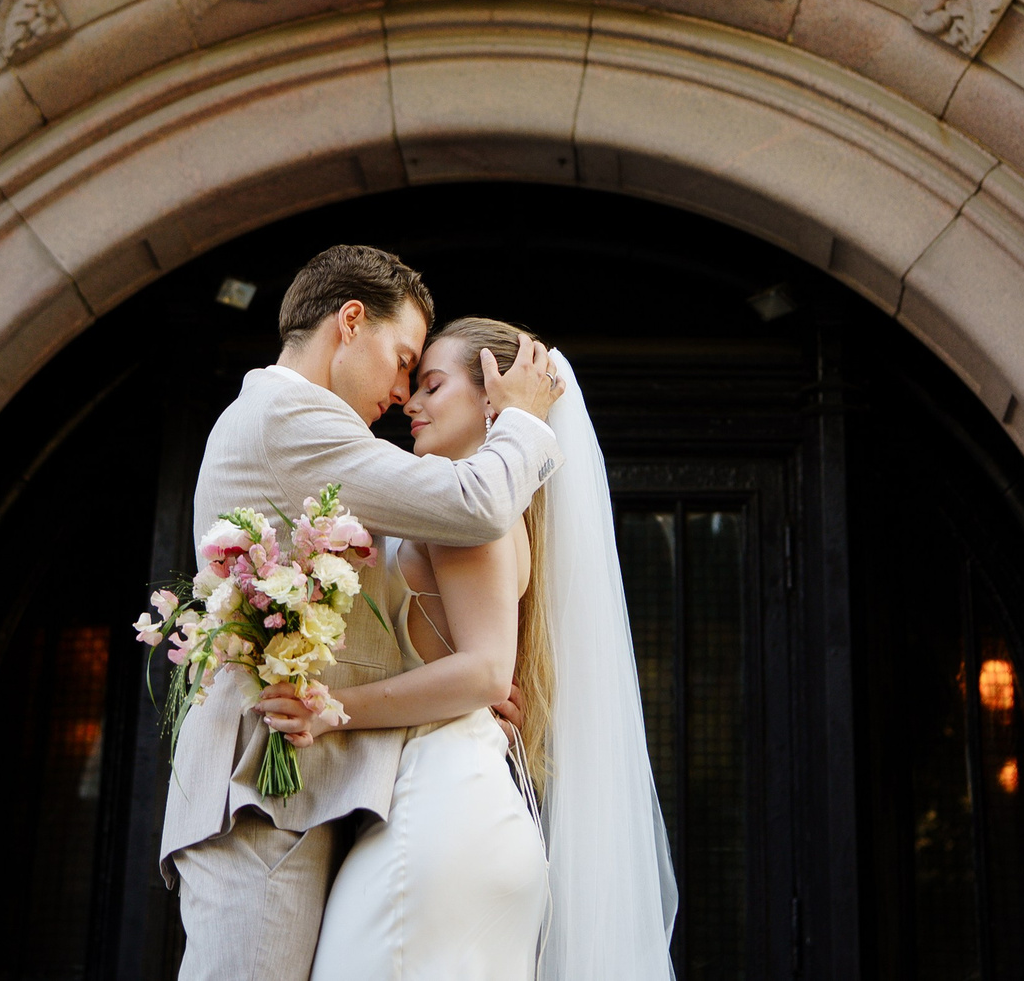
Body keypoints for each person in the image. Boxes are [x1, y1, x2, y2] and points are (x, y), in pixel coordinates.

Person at [161, 247, 565, 981]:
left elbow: (406, 618)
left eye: (425, 376)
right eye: (405, 357)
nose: (405, 390)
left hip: (317, 791)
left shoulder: (301, 424)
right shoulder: (290, 416)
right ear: (351, 321)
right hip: (264, 790)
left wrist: (461, 692)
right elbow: (470, 506)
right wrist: (526, 424)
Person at [258, 319, 680, 981]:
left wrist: (331, 708)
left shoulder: (468, 509)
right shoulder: (471, 506)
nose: (411, 403)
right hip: (456, 807)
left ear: (491, 398)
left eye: (431, 384)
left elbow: (485, 670)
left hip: (439, 816)